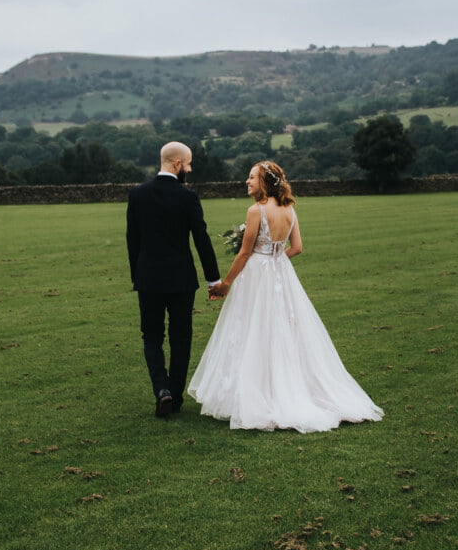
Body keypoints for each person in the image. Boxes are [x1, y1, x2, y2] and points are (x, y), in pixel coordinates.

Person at [188, 160, 383, 432]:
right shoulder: (289, 208)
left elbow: (245, 253)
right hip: (280, 272)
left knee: (252, 328)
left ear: (265, 182)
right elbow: (298, 247)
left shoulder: (256, 211)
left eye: (252, 177)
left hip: (257, 274)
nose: (247, 181)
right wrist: (276, 259)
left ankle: (257, 394)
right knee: (283, 327)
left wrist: (227, 283)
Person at [126, 141, 221, 417]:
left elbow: (132, 240)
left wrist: (138, 276)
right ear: (177, 164)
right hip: (181, 279)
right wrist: (213, 280)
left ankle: (161, 390)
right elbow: (201, 240)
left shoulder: (137, 194)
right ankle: (175, 398)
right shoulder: (187, 196)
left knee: (151, 336)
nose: (189, 170)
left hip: (148, 279)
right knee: (181, 337)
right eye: (188, 164)